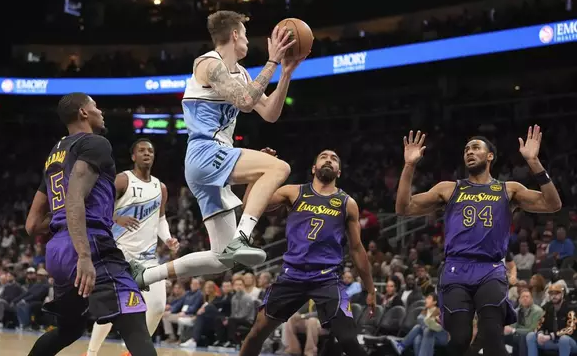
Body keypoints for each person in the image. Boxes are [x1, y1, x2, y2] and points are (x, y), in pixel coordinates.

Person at [133, 11, 303, 288]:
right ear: (235, 35)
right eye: (245, 35)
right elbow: (246, 101)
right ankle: (243, 236)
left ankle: (145, 275)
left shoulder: (242, 73)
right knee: (279, 167)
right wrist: (272, 61)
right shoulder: (207, 64)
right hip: (205, 151)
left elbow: (270, 113)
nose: (248, 41)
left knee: (221, 258)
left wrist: (284, 73)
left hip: (209, 160)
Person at [395, 126, 562, 356]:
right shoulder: (449, 188)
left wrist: (533, 162)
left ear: (490, 156)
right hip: (456, 268)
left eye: (475, 148)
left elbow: (552, 204)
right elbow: (403, 208)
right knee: (461, 339)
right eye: (466, 149)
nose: (469, 152)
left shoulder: (508, 189)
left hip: (490, 269)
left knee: (493, 339)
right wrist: (409, 165)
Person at [24, 93, 156, 356]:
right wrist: (83, 254)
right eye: (96, 106)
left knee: (69, 330)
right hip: (89, 244)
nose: (101, 111)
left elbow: (32, 224)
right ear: (84, 113)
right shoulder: (96, 143)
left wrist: (63, 225)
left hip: (57, 250)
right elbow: (75, 196)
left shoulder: (54, 155)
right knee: (135, 321)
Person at [239, 149, 375, 356]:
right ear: (314, 168)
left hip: (326, 278)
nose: (329, 160)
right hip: (292, 275)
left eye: (334, 159)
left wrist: (370, 289)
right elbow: (251, 204)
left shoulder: (348, 204)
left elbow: (357, 249)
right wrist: (258, 172)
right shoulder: (293, 192)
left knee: (348, 339)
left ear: (339, 172)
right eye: (323, 157)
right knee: (257, 331)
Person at [84, 138, 180, 356]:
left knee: (156, 307)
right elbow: (95, 208)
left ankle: (133, 351)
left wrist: (168, 239)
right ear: (133, 156)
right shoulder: (122, 180)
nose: (147, 154)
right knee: (114, 309)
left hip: (147, 258)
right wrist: (116, 217)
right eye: (142, 150)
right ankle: (91, 353)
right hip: (119, 256)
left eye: (151, 151)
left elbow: (161, 218)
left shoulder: (160, 187)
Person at [526, 283, 577, 356]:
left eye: (557, 293)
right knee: (531, 336)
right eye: (551, 294)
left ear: (562, 294)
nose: (554, 296)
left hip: (570, 342)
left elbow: (570, 329)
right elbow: (540, 323)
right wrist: (540, 334)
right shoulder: (547, 307)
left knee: (564, 339)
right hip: (552, 341)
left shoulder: (571, 308)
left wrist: (551, 336)